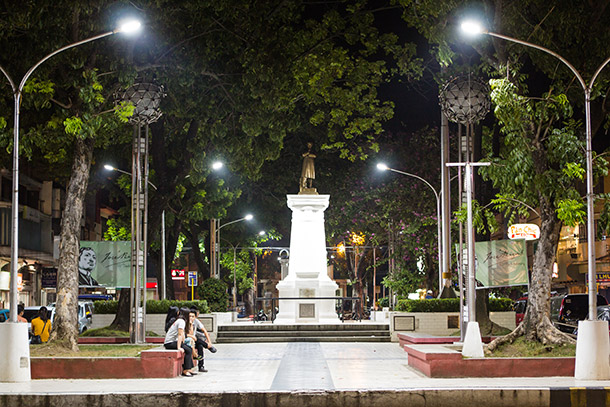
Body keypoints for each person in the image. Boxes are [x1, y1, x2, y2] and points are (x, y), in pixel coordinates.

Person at [164, 307, 196, 377]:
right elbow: (180, 334)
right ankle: (185, 370)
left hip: (171, 342)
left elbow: (182, 335)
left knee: (188, 348)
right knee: (188, 349)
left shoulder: (179, 320)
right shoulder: (181, 321)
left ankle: (189, 368)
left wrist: (183, 343)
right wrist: (179, 347)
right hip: (169, 343)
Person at [190, 305, 217, 373]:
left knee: (200, 346)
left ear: (195, 316)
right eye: (189, 316)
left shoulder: (196, 321)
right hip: (187, 340)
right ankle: (208, 347)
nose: (191, 318)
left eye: (193, 316)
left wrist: (209, 342)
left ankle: (201, 366)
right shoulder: (184, 322)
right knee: (197, 340)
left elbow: (205, 331)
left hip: (193, 341)